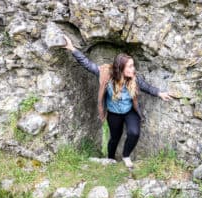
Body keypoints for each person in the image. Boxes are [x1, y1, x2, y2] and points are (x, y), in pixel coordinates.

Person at [62, 35, 174, 168]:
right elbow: (87, 64)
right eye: (130, 66)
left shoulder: (134, 78)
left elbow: (146, 87)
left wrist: (160, 93)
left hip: (129, 111)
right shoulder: (106, 75)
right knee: (115, 138)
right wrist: (72, 48)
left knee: (134, 132)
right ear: (121, 68)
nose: (133, 69)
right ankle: (110, 159)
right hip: (113, 113)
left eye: (133, 66)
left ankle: (126, 156)